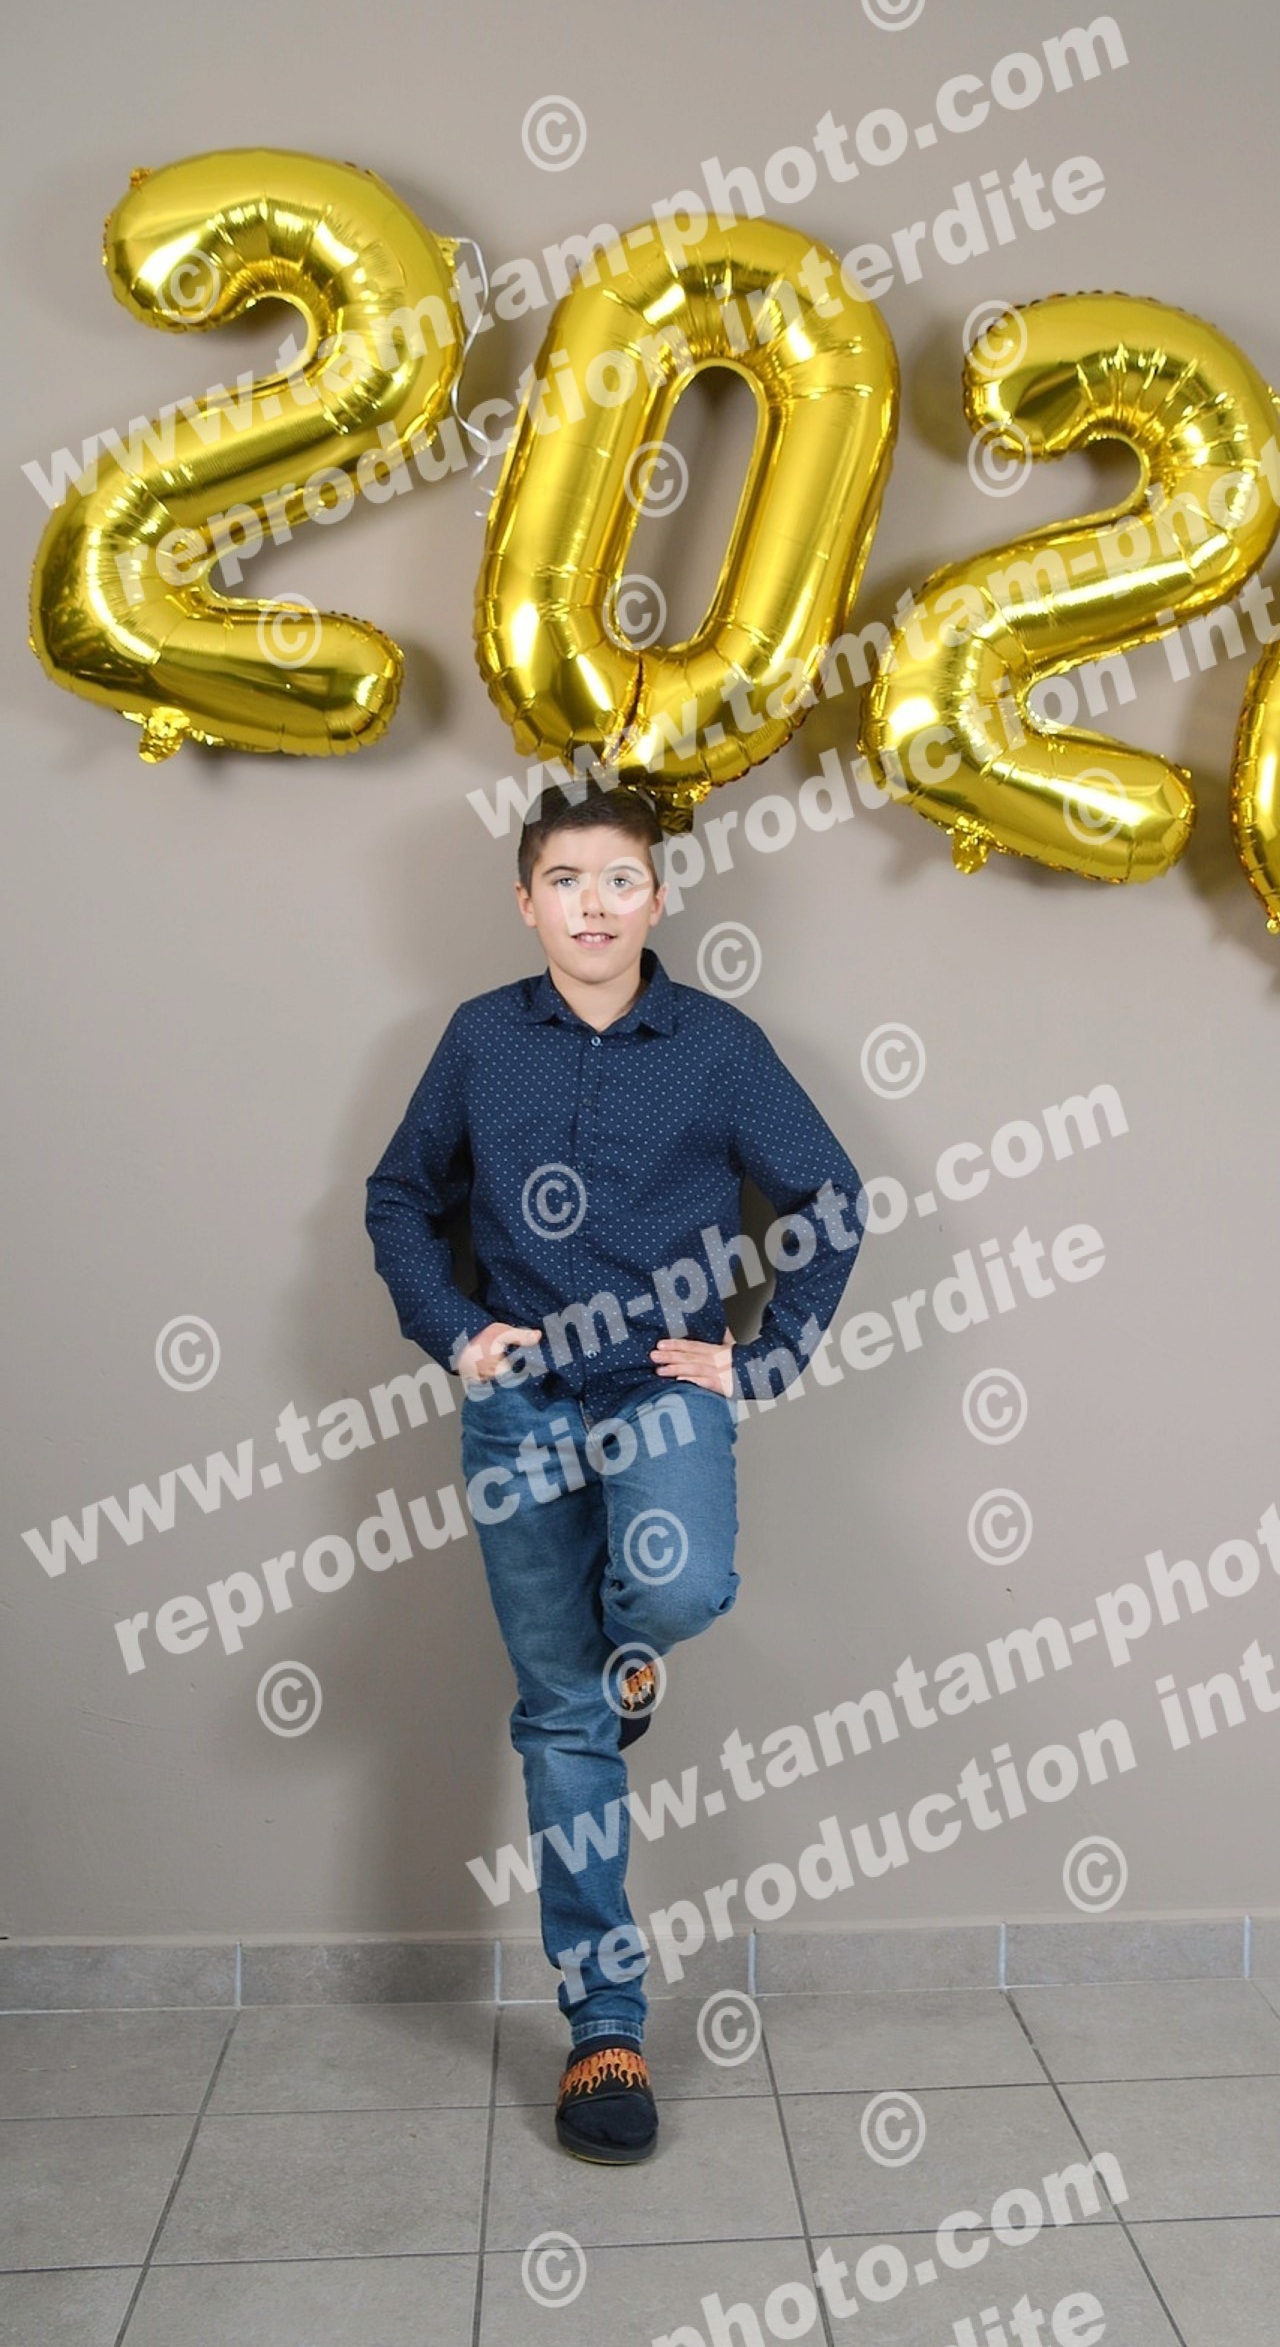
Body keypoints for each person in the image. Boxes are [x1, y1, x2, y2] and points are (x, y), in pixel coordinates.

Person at [364, 779, 862, 2163]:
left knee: (682, 1590)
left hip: (659, 1386)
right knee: (561, 1720)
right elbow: (399, 1198)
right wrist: (456, 1332)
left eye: (620, 880)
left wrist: (763, 1358)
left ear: (659, 897)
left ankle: (636, 1658)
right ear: (527, 901)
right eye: (567, 880)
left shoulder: (717, 1046)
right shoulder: (480, 1040)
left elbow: (828, 1200)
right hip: (521, 1404)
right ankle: (605, 2030)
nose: (594, 904)